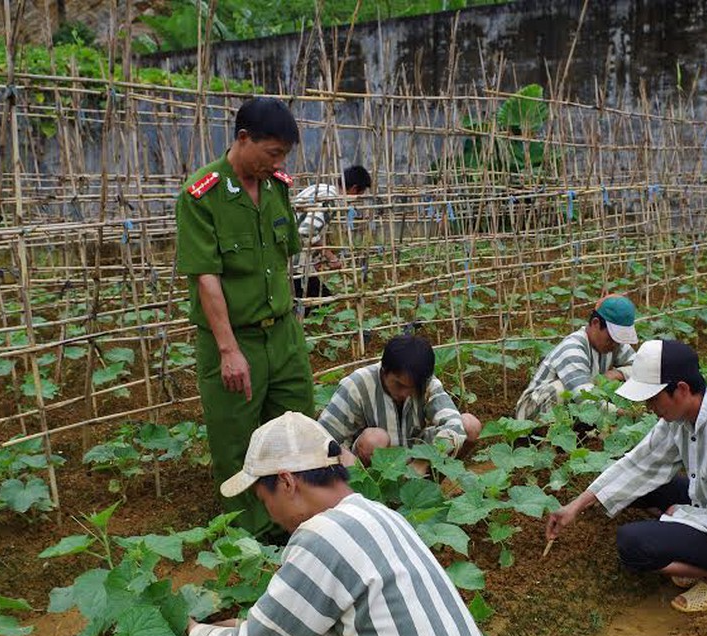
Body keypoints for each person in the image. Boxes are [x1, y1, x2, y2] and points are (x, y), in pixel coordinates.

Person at [187, 412, 510, 636]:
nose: (269, 513)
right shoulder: (382, 515)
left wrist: (196, 633)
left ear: (286, 483)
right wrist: (248, 625)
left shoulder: (320, 537)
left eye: (263, 499)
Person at [546, 339, 707, 613]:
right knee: (646, 488)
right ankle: (693, 548)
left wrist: (675, 514)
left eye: (653, 398)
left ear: (681, 390)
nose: (650, 407)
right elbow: (639, 463)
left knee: (632, 544)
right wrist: (576, 505)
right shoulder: (682, 416)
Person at [175, 97, 314, 538]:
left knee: (297, 427)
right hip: (237, 340)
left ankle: (302, 520)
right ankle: (251, 539)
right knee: (236, 440)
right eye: (272, 153)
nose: (278, 164)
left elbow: (283, 258)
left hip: (282, 333)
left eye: (284, 156)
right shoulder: (203, 194)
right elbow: (206, 277)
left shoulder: (276, 187)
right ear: (242, 139)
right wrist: (229, 349)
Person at [318, 335, 480, 468]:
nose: (405, 393)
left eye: (412, 388)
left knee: (469, 426)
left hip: (415, 457)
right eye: (399, 385)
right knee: (374, 440)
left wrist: (423, 463)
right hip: (371, 467)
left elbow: (454, 424)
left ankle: (428, 488)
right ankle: (373, 497)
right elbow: (322, 437)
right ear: (384, 369)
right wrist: (349, 463)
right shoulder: (357, 385)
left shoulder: (427, 383)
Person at [515, 294, 638, 421]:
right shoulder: (572, 348)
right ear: (596, 323)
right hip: (531, 413)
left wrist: (618, 373)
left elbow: (640, 369)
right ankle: (547, 437)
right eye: (612, 338)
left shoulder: (614, 344)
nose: (615, 344)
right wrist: (623, 413)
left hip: (575, 411)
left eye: (619, 340)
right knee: (559, 390)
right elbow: (584, 396)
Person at [291, 165, 372, 310]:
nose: (357, 199)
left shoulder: (322, 188)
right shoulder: (330, 200)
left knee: (306, 298)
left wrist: (315, 258)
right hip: (292, 256)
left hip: (292, 251)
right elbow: (306, 232)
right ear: (354, 189)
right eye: (360, 194)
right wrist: (330, 257)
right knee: (319, 301)